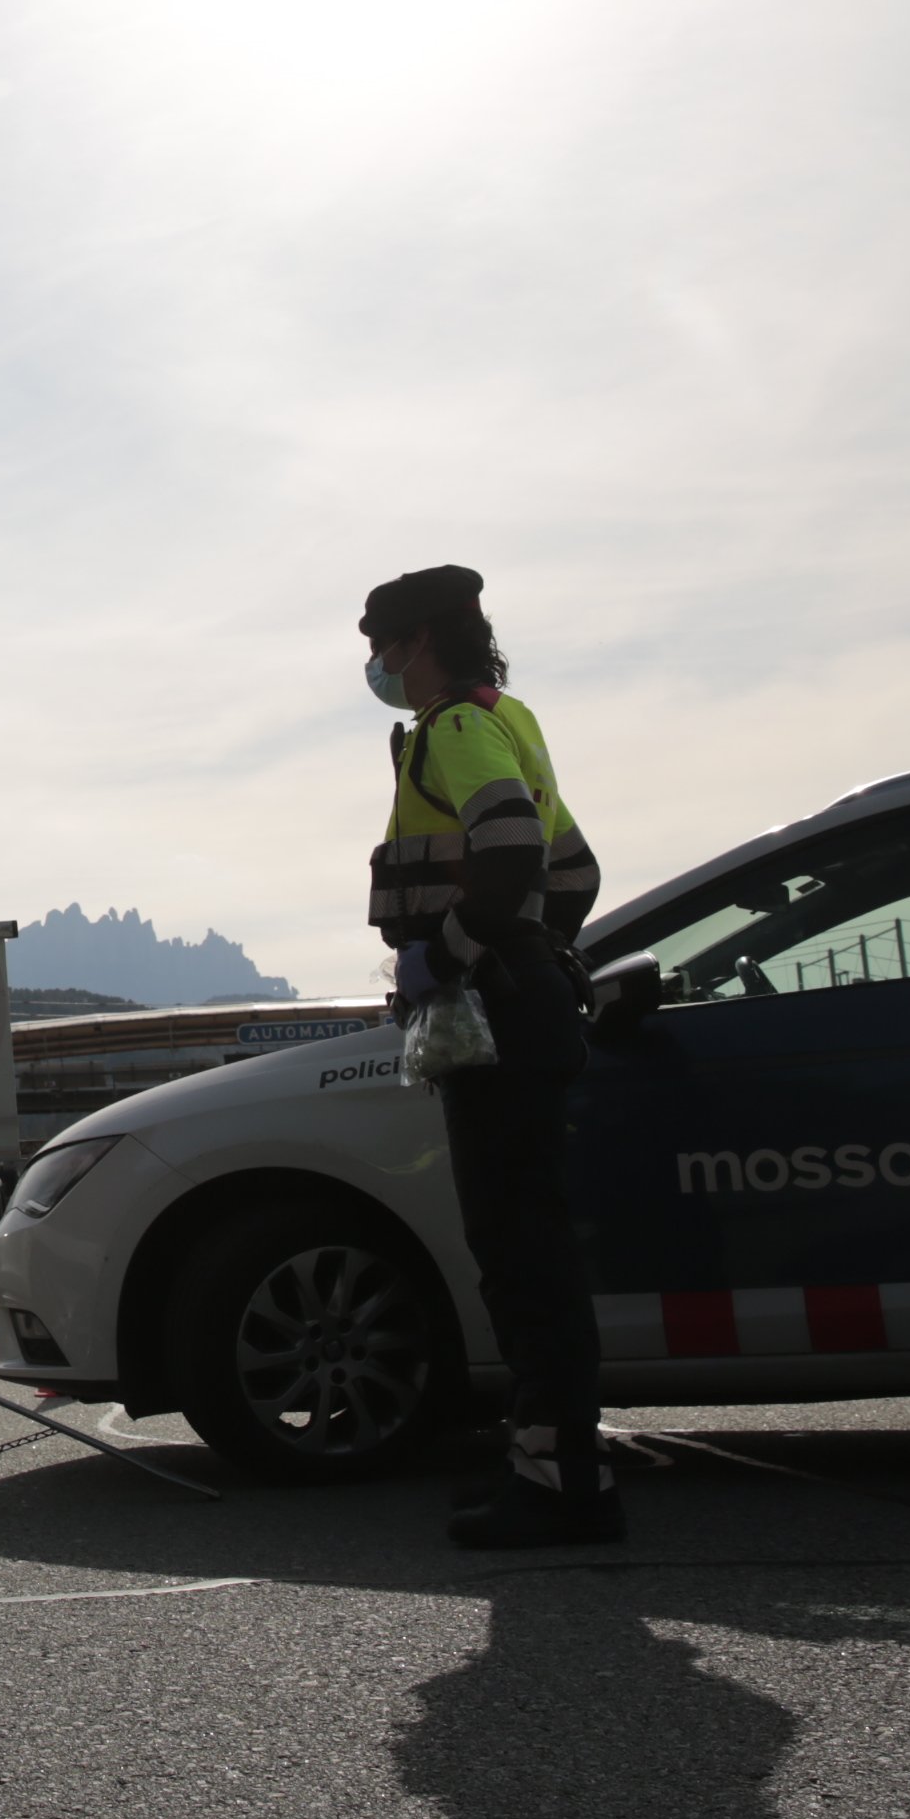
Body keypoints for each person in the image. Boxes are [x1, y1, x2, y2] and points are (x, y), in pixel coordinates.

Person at [360, 565, 615, 1547]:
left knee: (518, 1255)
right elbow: (576, 870)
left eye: (380, 643)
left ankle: (558, 1486)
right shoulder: (511, 717)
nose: (374, 664)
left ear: (419, 638)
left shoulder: (454, 730)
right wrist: (535, 947)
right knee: (536, 1247)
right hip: (532, 1002)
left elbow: (508, 844)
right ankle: (567, 1468)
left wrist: (453, 955)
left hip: (497, 1014)